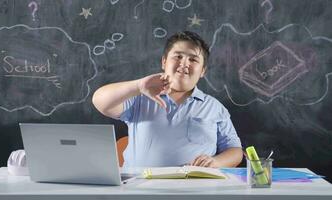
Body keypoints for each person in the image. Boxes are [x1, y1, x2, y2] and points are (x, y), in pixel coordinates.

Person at [93, 31, 243, 168]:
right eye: (178, 56)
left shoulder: (214, 107)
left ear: (203, 71)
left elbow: (235, 151)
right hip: (140, 188)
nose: (184, 63)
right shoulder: (139, 98)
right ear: (164, 62)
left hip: (196, 188)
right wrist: (138, 86)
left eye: (193, 59)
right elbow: (100, 101)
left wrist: (217, 161)